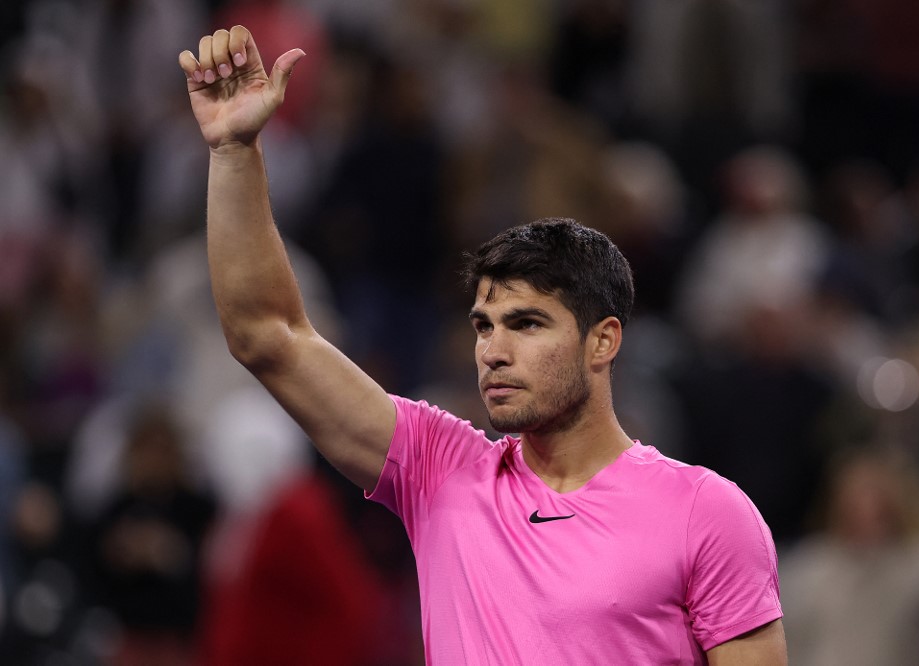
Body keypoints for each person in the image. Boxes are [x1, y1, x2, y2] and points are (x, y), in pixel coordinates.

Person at [177, 25, 787, 665]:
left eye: (527, 324)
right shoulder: (439, 471)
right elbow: (267, 335)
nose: (493, 350)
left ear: (603, 341)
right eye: (483, 326)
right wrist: (235, 150)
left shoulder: (705, 513)